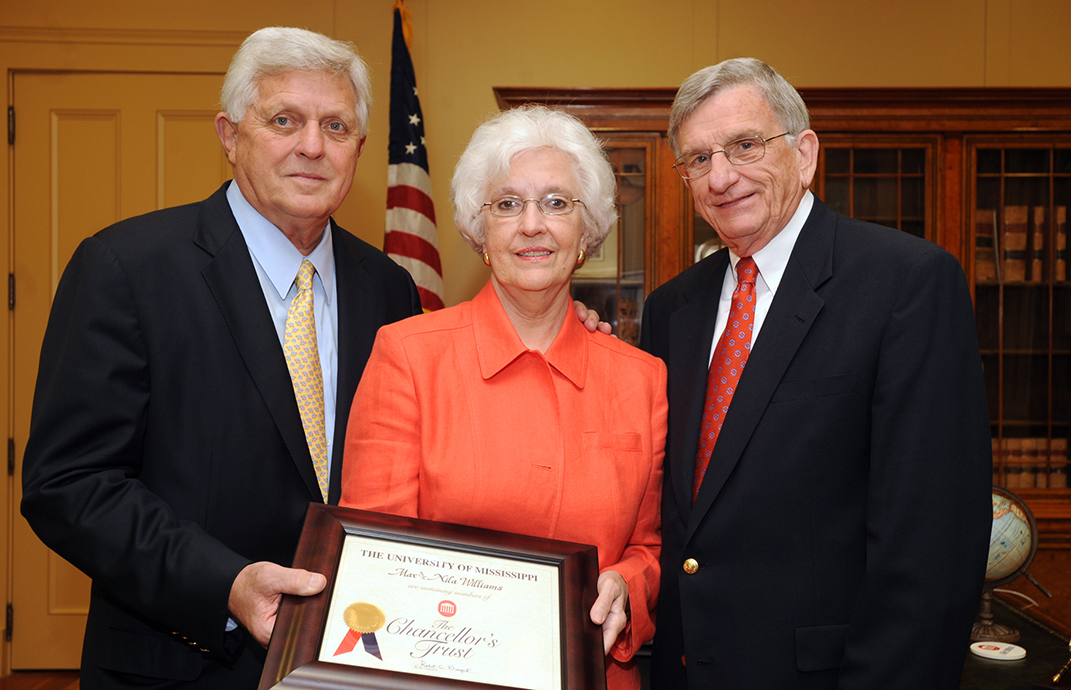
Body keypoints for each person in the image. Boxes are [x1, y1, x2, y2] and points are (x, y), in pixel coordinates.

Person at [18, 27, 424, 689]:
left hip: (355, 656)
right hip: (182, 662)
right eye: (284, 120)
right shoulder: (127, 268)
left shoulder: (389, 287)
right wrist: (226, 584)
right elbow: (70, 485)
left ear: (359, 147)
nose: (312, 146)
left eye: (336, 125)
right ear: (230, 135)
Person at [639, 58, 992, 689]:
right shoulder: (672, 308)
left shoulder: (905, 283)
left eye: (745, 145)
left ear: (804, 154)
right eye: (697, 159)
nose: (721, 177)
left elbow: (930, 546)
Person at [339, 105, 666, 690]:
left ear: (587, 232)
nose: (533, 225)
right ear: (477, 228)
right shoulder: (407, 356)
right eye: (508, 204)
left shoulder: (641, 379)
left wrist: (626, 583)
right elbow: (370, 556)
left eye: (557, 203)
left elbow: (649, 547)